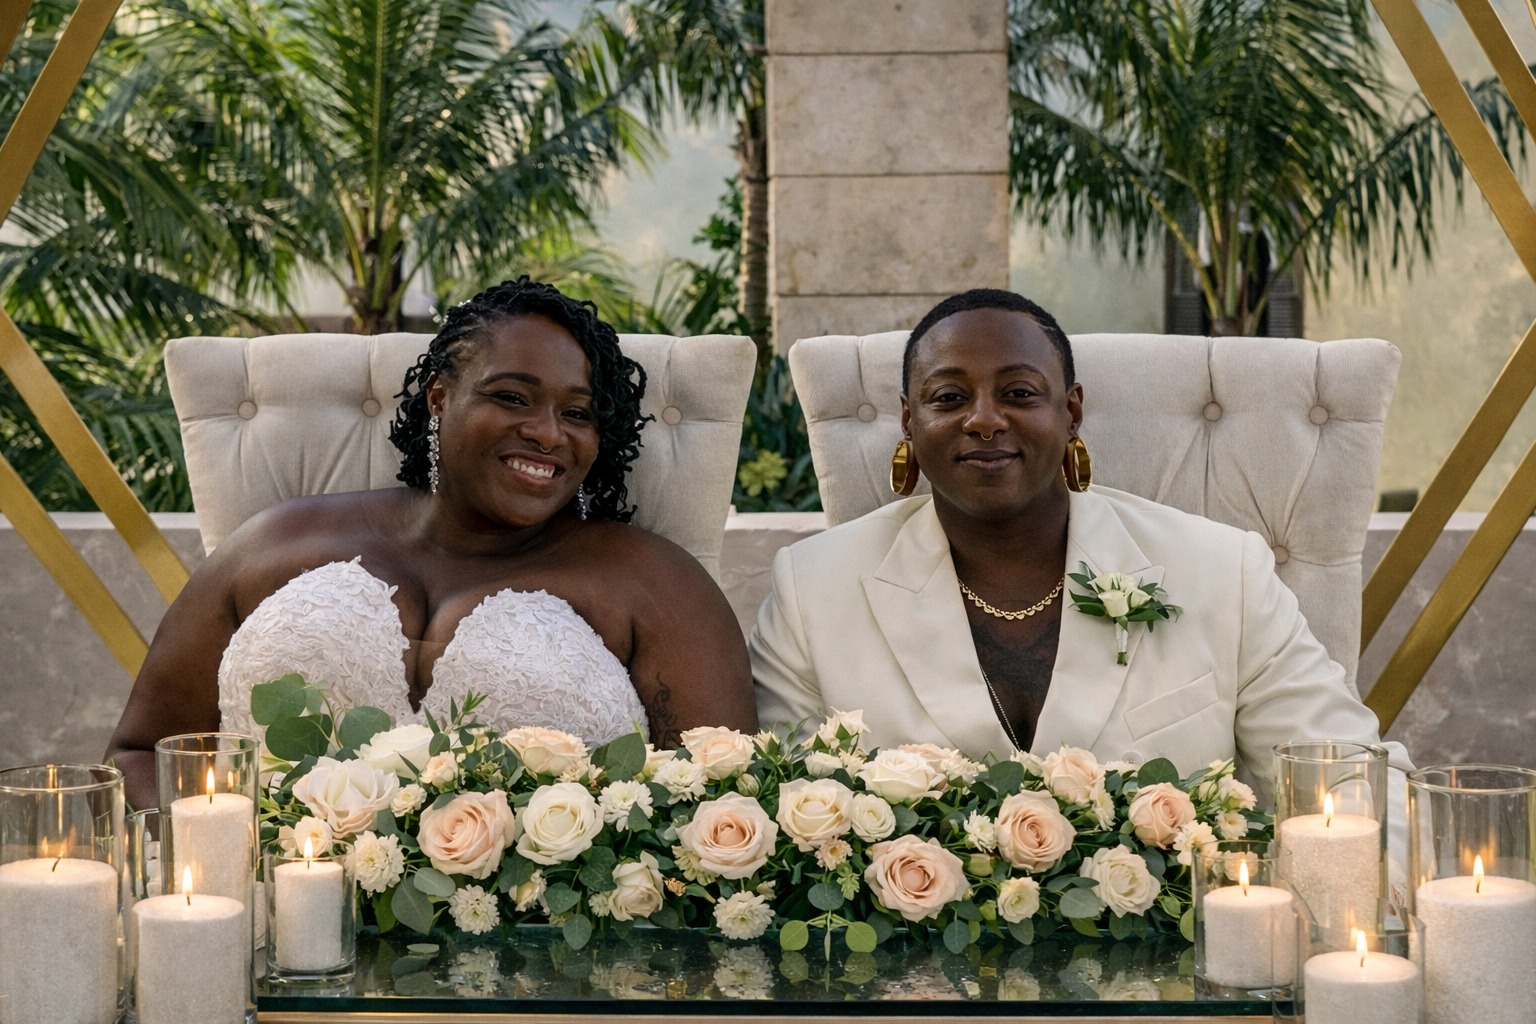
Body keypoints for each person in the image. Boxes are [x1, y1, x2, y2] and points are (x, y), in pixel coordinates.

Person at [107, 278, 755, 810]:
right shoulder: (279, 539)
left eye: (577, 413)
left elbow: (720, 810)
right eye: (513, 398)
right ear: (440, 399)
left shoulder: (653, 584)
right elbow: (140, 755)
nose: (548, 433)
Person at [750, 288, 1410, 807]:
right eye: (949, 397)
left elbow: (1347, 782)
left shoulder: (1220, 572)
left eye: (1018, 393)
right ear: (908, 423)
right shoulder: (814, 589)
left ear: (1071, 414)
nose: (983, 419)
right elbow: (778, 814)